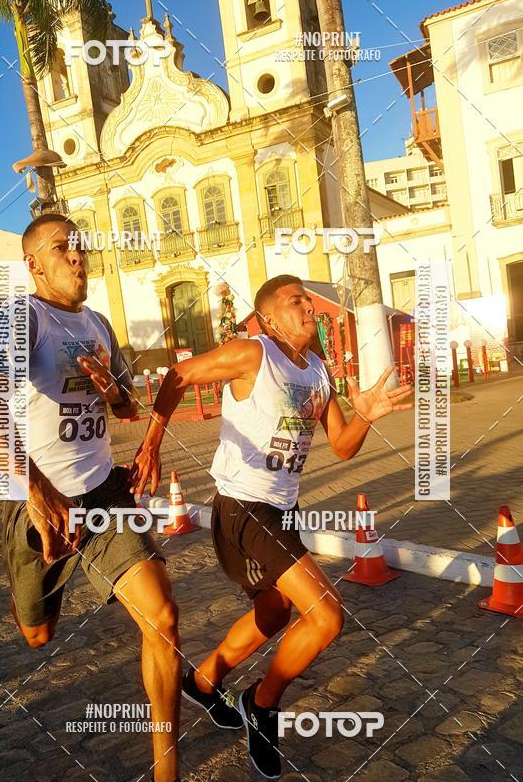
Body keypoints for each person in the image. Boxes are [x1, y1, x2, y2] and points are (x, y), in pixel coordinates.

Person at [131, 274, 412, 779]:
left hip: (282, 510)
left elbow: (343, 445)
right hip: (243, 507)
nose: (308, 307)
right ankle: (260, 706)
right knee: (326, 616)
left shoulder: (319, 371)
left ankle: (204, 681)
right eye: (295, 301)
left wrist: (365, 415)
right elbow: (177, 377)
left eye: (309, 300)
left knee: (276, 611)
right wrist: (152, 442)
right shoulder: (252, 353)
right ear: (267, 318)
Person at [0, 214, 181, 782]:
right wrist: (35, 486)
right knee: (38, 635)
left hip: (104, 490)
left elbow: (128, 408)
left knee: (162, 618)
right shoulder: (23, 318)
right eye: (62, 248)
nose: (77, 256)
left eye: (81, 247)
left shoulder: (100, 325)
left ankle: (166, 773)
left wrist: (114, 389)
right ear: (34, 264)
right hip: (36, 500)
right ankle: (29, 595)